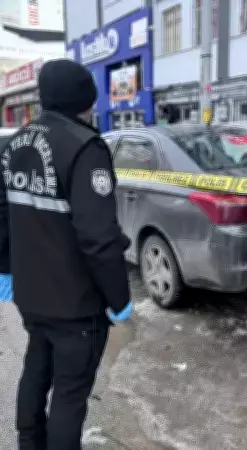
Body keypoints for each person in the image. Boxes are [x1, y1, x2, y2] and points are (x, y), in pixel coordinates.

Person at [0, 59, 132, 450]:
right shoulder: (85, 146)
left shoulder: (14, 143)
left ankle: (28, 444)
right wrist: (119, 299)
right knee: (70, 396)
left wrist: (6, 269)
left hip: (32, 295)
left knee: (36, 371)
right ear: (84, 101)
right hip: (76, 304)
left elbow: (2, 215)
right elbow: (99, 238)